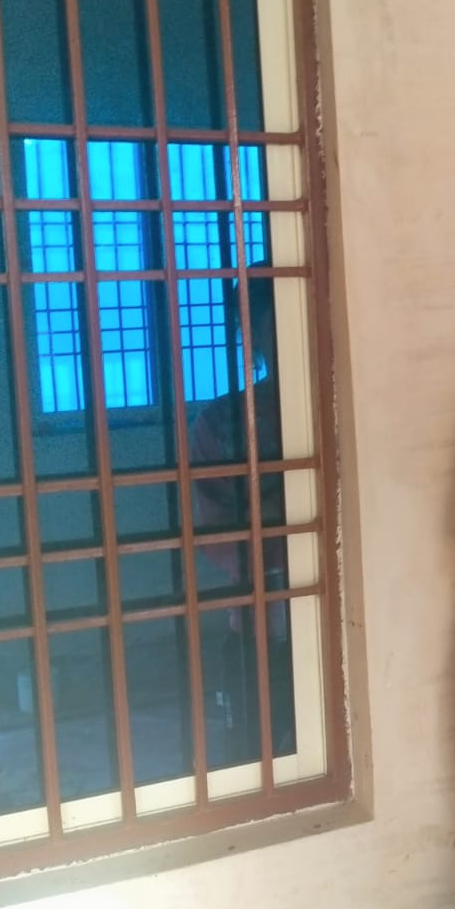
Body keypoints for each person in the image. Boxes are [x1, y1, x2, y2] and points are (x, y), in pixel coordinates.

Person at [189, 278, 294, 757]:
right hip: (261, 623)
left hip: (347, 616)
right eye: (263, 326)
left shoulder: (348, 404)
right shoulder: (224, 421)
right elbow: (217, 533)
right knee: (256, 757)